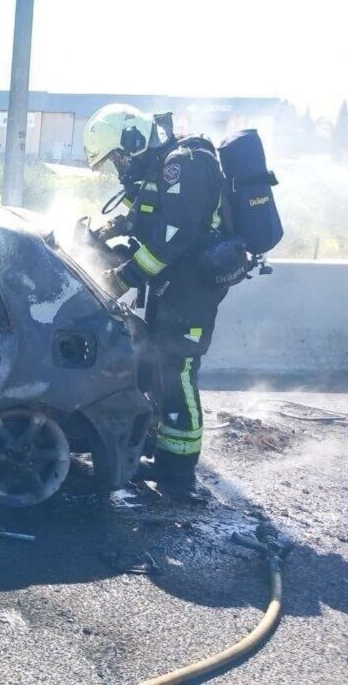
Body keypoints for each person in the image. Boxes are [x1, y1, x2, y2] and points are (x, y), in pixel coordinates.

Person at [81, 104, 241, 488]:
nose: (119, 167)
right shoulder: (158, 169)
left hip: (192, 286)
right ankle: (159, 445)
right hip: (172, 283)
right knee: (157, 362)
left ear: (133, 139)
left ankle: (178, 467)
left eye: (118, 157)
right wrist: (106, 231)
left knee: (178, 367)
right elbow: (143, 215)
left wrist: (124, 277)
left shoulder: (182, 165)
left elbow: (173, 238)